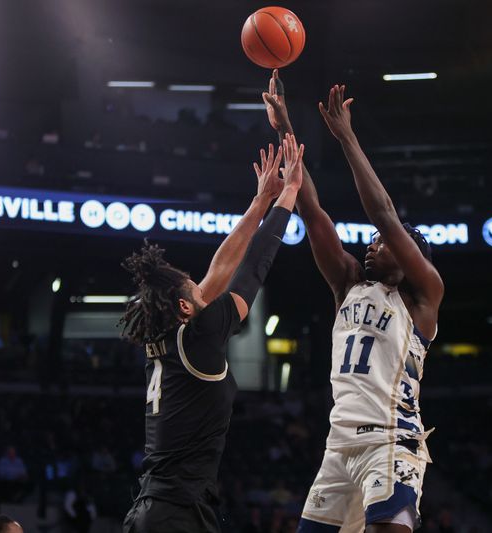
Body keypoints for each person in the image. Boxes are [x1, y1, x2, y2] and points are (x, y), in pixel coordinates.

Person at [264, 71, 444, 532]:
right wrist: (285, 126)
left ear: (410, 256)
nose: (371, 243)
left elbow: (383, 211)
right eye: (372, 241)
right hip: (338, 445)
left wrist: (346, 137)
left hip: (391, 441)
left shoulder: (423, 294)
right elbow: (313, 212)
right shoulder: (348, 284)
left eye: (383, 243)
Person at [121, 134, 305, 533]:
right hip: (176, 513)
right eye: (194, 288)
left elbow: (219, 271)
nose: (204, 286)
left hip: (152, 510)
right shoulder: (197, 337)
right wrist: (289, 193)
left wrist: (259, 203)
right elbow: (253, 266)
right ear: (186, 307)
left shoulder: (172, 341)